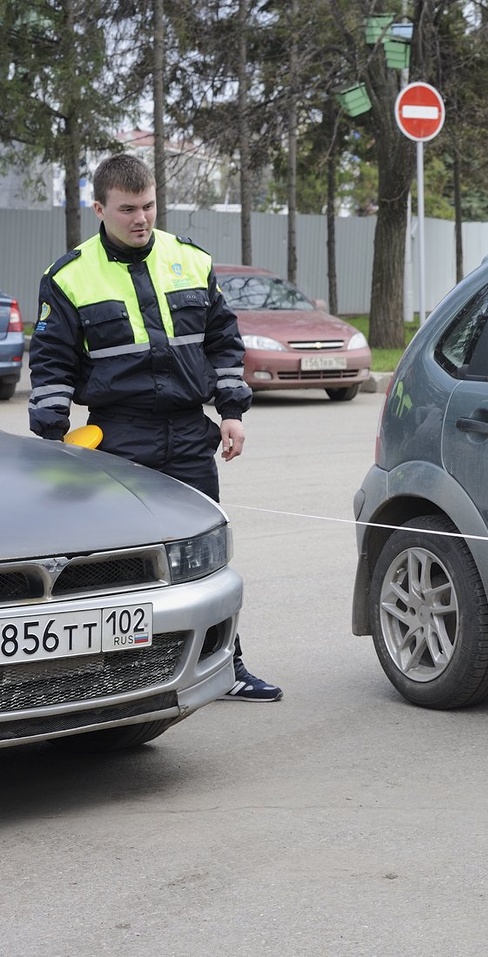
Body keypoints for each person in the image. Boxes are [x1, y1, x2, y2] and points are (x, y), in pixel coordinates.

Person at [27, 153, 282, 702]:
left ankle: (225, 668)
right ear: (99, 208)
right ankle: (124, 676)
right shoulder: (69, 276)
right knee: (125, 568)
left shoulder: (189, 259)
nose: (140, 218)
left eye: (147, 206)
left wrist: (232, 411)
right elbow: (50, 365)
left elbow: (222, 342)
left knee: (203, 562)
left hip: (192, 433)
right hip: (118, 440)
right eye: (126, 209)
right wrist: (52, 441)